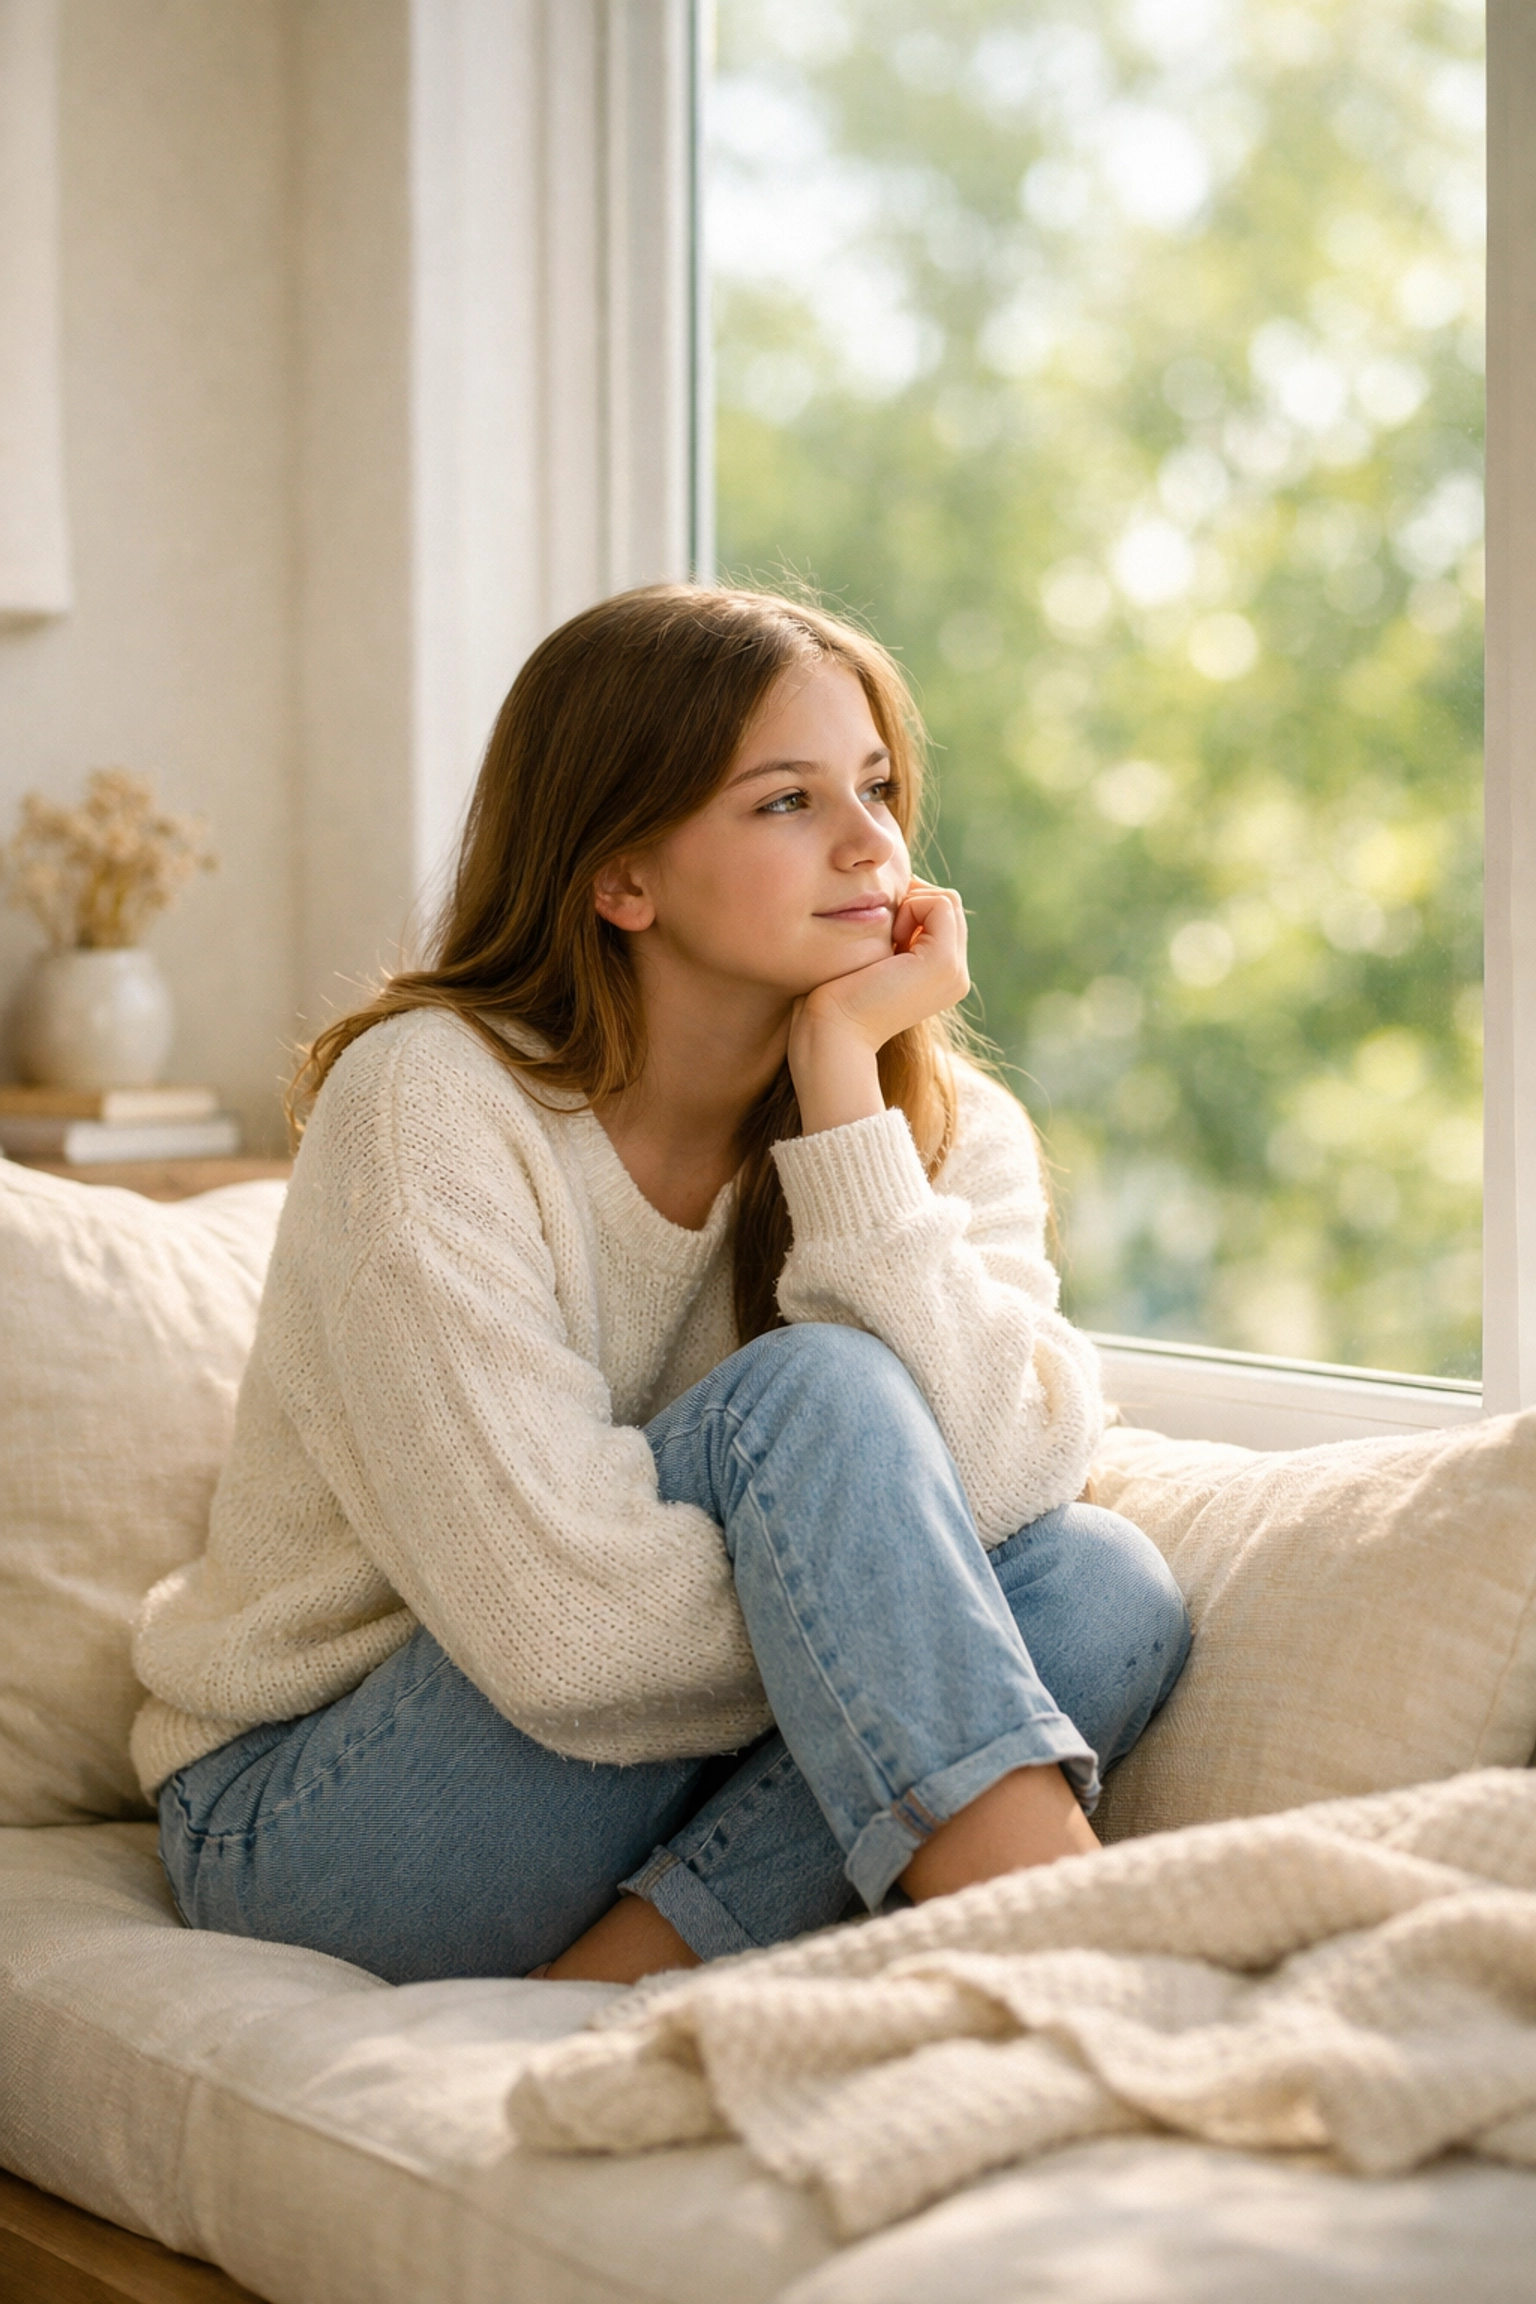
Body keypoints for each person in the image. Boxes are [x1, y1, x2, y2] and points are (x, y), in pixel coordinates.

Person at [131, 584, 1191, 1989]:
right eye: (786, 802)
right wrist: (853, 1609)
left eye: (876, 787)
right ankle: (1093, 1970)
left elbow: (1007, 1479)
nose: (874, 843)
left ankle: (629, 1970)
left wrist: (840, 1103)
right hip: (326, 1811)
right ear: (622, 878)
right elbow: (567, 1639)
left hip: (647, 1780)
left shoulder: (936, 1127)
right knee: (815, 1397)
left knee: (1102, 1588)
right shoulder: (429, 1102)